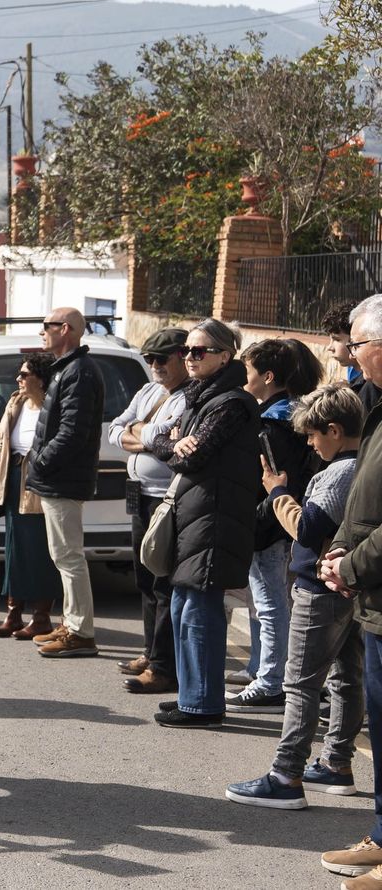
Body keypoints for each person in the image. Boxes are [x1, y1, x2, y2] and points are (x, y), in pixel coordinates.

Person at [228, 384, 363, 809]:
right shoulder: (367, 465)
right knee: (346, 678)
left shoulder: (338, 473)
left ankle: (286, 774)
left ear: (335, 430)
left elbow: (307, 530)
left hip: (319, 587)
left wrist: (277, 493)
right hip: (352, 586)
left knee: (301, 683)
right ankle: (336, 763)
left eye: (313, 434)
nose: (309, 442)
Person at [148, 318, 261, 728]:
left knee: (199, 612)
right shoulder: (200, 396)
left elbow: (191, 457)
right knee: (182, 607)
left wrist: (175, 445)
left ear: (225, 356)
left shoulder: (231, 402)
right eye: (186, 351)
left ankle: (202, 704)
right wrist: (173, 441)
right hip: (193, 516)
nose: (189, 358)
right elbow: (160, 438)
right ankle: (191, 695)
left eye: (199, 352)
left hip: (215, 519)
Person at [318, 295, 382, 889]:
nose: (352, 358)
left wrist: (353, 564)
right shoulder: (380, 406)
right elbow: (364, 495)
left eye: (358, 345)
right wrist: (339, 550)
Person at [233, 337, 324, 707]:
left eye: (249, 371)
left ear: (268, 376)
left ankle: (271, 679)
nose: (244, 377)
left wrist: (256, 524)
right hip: (275, 523)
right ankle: (260, 667)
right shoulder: (280, 414)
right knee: (264, 601)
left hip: (270, 526)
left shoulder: (273, 423)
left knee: (270, 603)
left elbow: (275, 481)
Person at [106, 328, 190, 692]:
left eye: (162, 359)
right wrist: (146, 436)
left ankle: (163, 667)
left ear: (182, 357)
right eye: (150, 359)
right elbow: (115, 430)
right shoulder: (148, 391)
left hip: (165, 498)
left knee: (162, 581)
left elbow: (167, 443)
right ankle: (150, 651)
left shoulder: (187, 397)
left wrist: (141, 434)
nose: (155, 366)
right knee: (143, 578)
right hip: (139, 492)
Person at [26, 307, 106, 659]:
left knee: (69, 556)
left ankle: (80, 632)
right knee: (63, 555)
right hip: (57, 478)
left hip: (63, 479)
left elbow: (72, 432)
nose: (41, 332)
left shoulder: (80, 372)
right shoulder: (69, 369)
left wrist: (40, 463)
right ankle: (72, 623)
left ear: (65, 329)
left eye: (45, 326)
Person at [0, 352, 61, 639]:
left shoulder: (53, 408)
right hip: (12, 476)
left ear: (41, 379)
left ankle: (41, 617)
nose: (18, 379)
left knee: (39, 549)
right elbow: (2, 438)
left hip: (38, 479)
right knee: (14, 548)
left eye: (25, 374)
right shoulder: (15, 402)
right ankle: (14, 613)